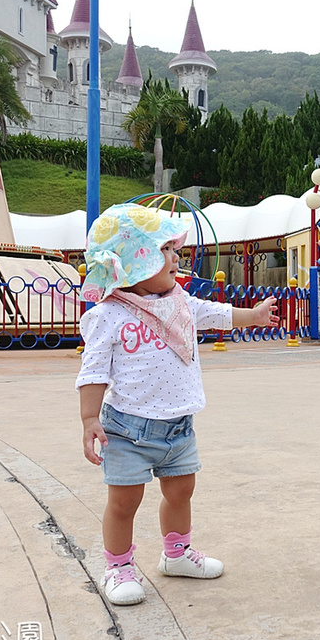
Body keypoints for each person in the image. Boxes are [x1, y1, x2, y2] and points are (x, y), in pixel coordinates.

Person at [75, 203, 279, 606]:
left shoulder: (179, 302)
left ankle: (177, 554)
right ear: (135, 262)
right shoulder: (109, 315)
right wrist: (88, 418)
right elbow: (93, 370)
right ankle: (118, 567)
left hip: (178, 427)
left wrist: (251, 315)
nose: (175, 257)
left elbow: (215, 314)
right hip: (127, 429)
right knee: (124, 500)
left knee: (182, 489)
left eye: (174, 249)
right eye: (164, 250)